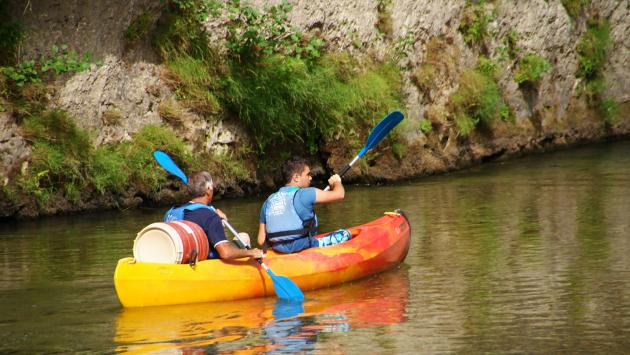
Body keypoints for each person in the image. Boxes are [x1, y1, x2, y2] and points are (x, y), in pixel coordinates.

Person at [258, 157, 350, 254]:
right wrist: (337, 182)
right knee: (345, 234)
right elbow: (340, 195)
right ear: (296, 177)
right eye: (308, 174)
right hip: (304, 247)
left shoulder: (268, 201)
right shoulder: (306, 194)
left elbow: (261, 240)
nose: (310, 177)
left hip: (279, 249)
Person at [164, 171, 263, 260]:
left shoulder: (172, 211)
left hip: (180, 259)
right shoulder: (210, 216)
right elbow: (226, 253)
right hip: (207, 263)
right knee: (244, 237)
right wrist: (250, 252)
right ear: (208, 189)